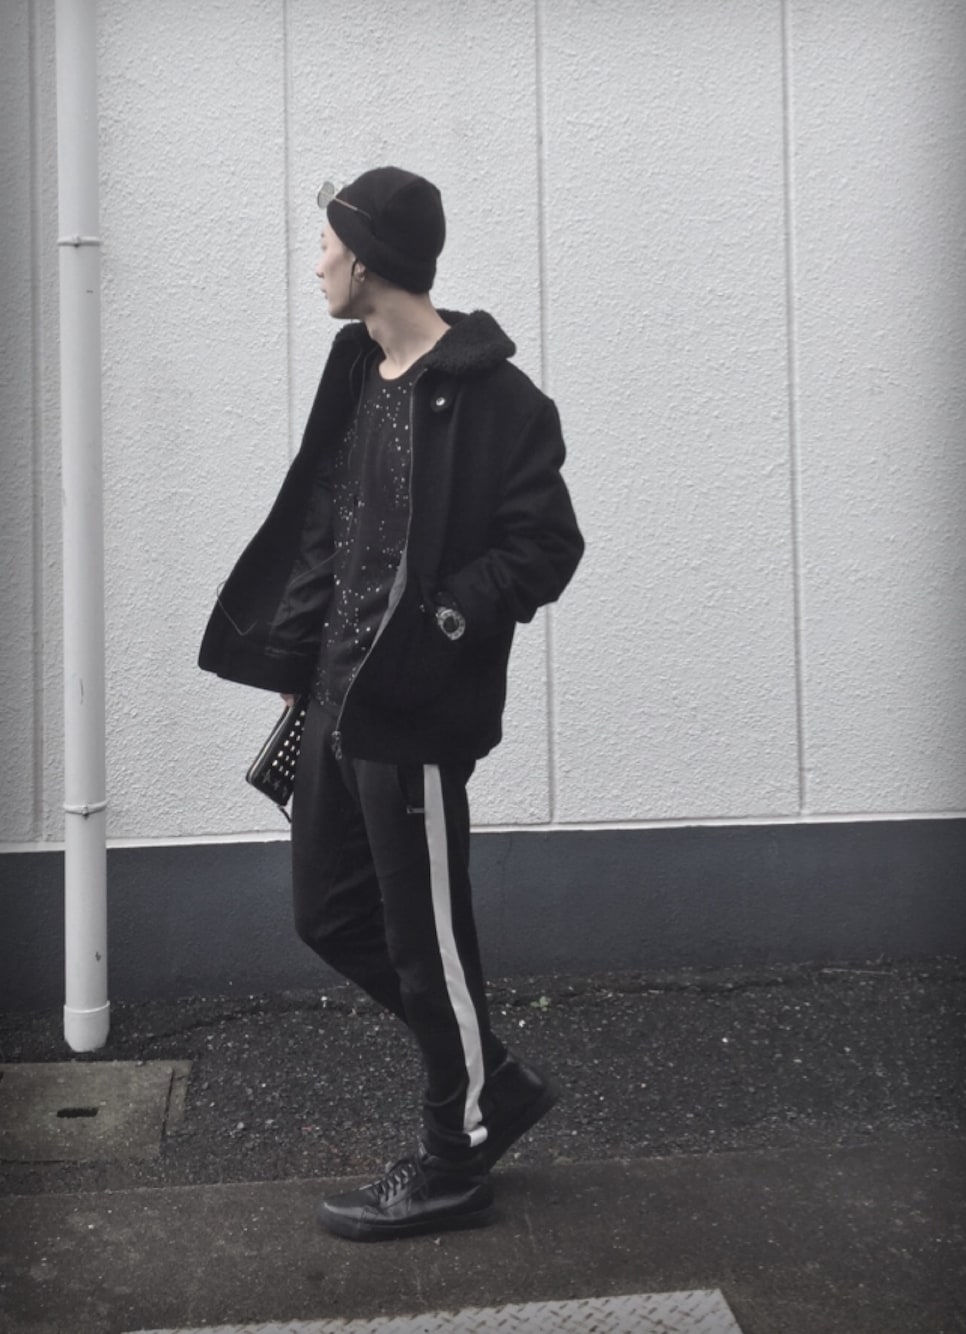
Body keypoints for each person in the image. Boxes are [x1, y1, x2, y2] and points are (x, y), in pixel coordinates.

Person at [199, 166, 584, 1241]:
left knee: (428, 941)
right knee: (327, 914)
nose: (316, 262)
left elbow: (546, 546)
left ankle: (455, 1156)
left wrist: (443, 620)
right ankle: (488, 1078)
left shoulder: (500, 400)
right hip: (336, 699)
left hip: (412, 708)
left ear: (367, 259)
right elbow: (327, 516)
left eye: (326, 244)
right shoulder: (356, 370)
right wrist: (296, 649)